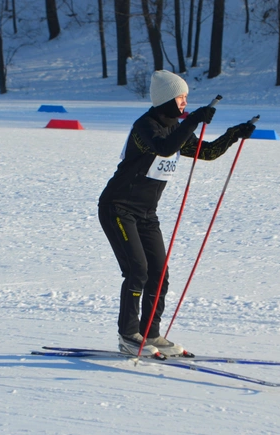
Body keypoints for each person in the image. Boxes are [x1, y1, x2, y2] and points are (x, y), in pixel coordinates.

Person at [98, 70, 256, 357]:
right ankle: (128, 335)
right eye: (181, 97)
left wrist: (234, 134)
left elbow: (205, 152)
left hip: (147, 213)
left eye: (186, 98)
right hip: (117, 208)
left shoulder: (175, 127)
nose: (185, 102)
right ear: (167, 98)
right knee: (138, 271)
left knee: (159, 274)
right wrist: (193, 120)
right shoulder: (144, 127)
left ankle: (151, 334)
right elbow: (163, 147)